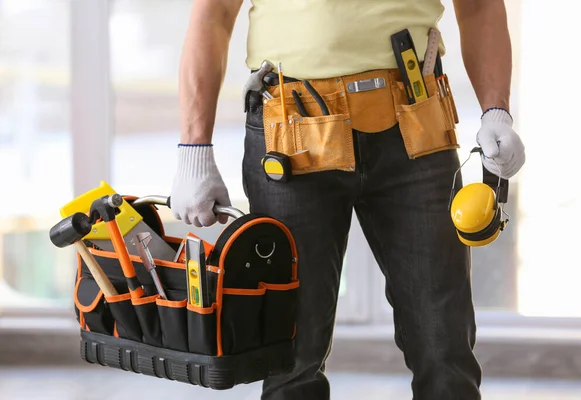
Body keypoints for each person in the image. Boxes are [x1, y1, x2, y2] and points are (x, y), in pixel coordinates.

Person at [169, 0, 526, 399]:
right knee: (292, 356)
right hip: (291, 131)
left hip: (415, 117)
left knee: (444, 346)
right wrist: (193, 150)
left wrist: (496, 111)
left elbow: (479, 7)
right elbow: (213, 13)